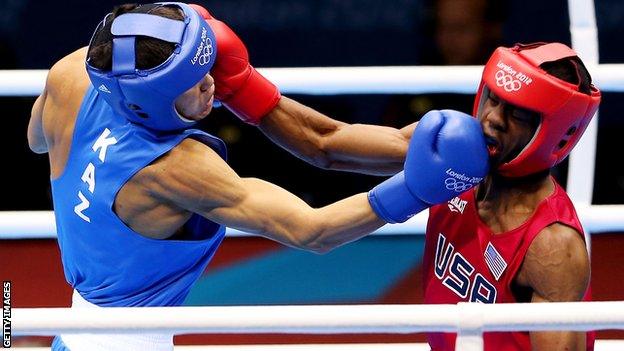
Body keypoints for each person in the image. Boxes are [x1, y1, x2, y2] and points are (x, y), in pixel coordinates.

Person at [26, 3, 488, 350]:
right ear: (150, 100)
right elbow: (312, 229)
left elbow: (36, 140)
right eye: (193, 81)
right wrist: (413, 190)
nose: (211, 83)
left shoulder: (72, 73)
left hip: (77, 326)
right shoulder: (175, 168)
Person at [422, 42, 601, 350]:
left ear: (553, 131)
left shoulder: (552, 246)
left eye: (517, 113)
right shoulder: (449, 157)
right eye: (493, 98)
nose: (493, 119)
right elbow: (329, 144)